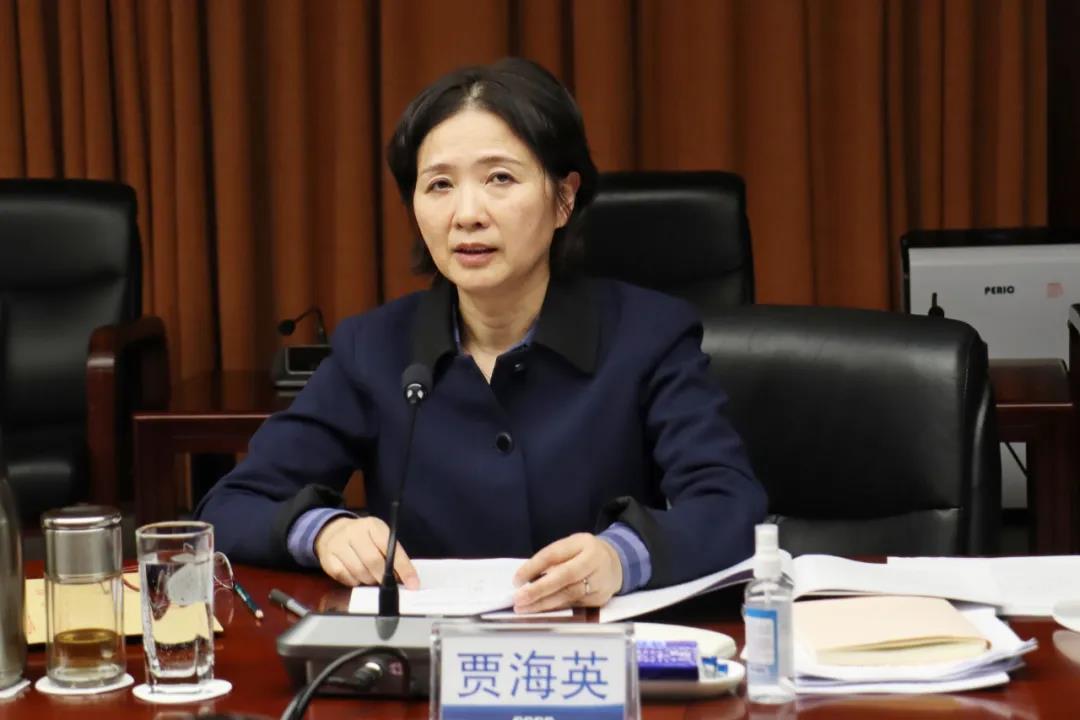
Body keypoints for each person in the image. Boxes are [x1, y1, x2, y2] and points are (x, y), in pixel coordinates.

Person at [195, 57, 767, 613]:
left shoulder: (649, 336)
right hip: (427, 660)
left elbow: (731, 506)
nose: (467, 214)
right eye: (439, 185)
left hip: (594, 654)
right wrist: (321, 531)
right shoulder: (373, 349)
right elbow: (231, 505)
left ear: (564, 197)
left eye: (500, 178)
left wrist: (621, 558)